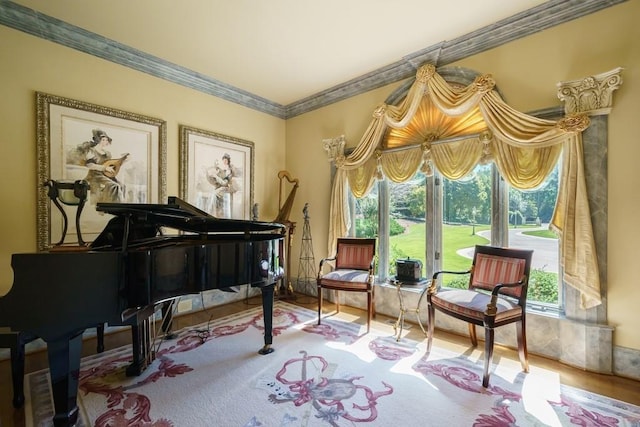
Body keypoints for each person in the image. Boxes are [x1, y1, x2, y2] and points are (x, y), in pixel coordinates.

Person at [72, 129, 126, 204]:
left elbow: (112, 165)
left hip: (106, 175)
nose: (105, 142)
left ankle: (120, 208)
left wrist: (124, 160)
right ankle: (109, 207)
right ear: (98, 140)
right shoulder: (92, 151)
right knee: (114, 186)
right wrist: (104, 168)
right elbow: (89, 165)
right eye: (103, 140)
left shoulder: (107, 153)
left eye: (106, 140)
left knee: (122, 185)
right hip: (95, 176)